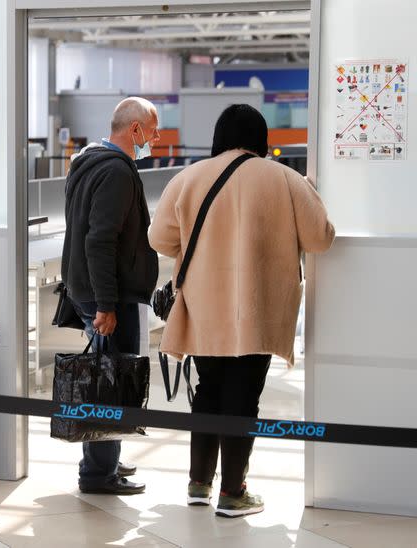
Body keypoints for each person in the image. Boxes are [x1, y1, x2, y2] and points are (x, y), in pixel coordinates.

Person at [148, 104, 335, 518]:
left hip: (203, 309)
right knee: (243, 397)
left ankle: (199, 483)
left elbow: (160, 239)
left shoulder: (189, 177)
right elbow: (321, 238)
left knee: (208, 393)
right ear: (262, 138)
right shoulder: (285, 179)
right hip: (258, 309)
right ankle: (233, 491)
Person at [61, 97, 161, 495]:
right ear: (134, 129)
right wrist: (106, 304)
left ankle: (106, 458)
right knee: (109, 378)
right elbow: (100, 240)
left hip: (91, 288)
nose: (154, 137)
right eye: (152, 130)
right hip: (110, 295)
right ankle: (98, 474)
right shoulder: (118, 172)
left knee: (108, 370)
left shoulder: (87, 161)